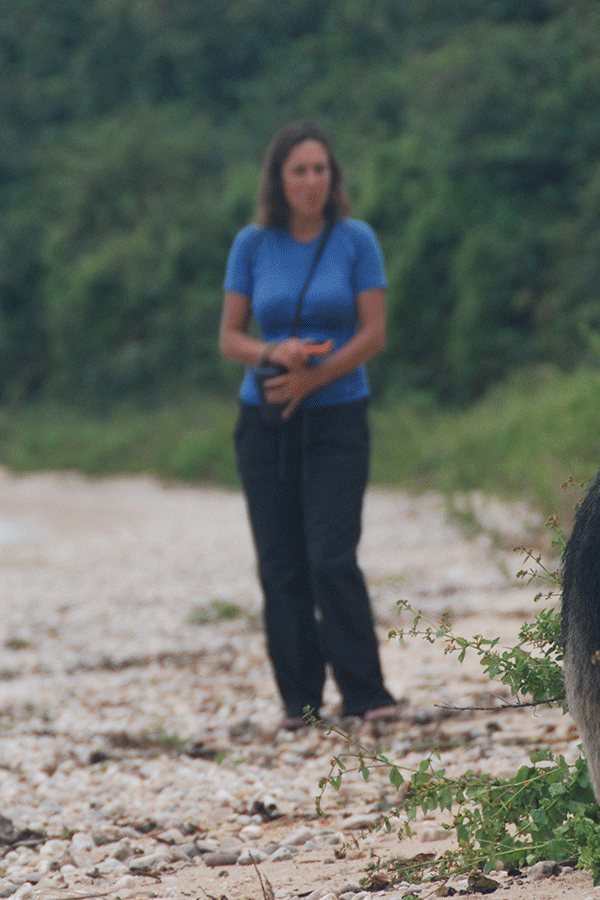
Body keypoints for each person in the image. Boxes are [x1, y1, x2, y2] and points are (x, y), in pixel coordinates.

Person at [219, 120, 398, 731]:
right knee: (281, 562)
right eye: (299, 170)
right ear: (279, 179)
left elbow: (373, 332)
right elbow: (230, 337)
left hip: (337, 417)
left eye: (321, 169)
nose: (312, 181)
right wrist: (276, 354)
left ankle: (366, 692)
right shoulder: (252, 244)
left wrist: (315, 377)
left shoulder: (355, 241)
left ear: (333, 177)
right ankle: (300, 701)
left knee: (330, 555)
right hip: (265, 419)